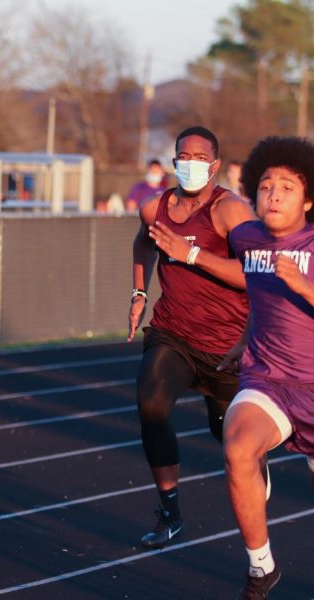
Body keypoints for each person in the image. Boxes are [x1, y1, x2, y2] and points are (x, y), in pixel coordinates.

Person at [128, 125, 257, 549]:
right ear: (174, 160)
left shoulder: (231, 212)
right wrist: (139, 292)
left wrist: (194, 254)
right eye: (185, 155)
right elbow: (144, 245)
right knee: (150, 403)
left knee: (230, 438)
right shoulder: (154, 207)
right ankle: (170, 510)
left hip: (225, 345)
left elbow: (253, 274)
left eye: (201, 157)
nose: (192, 163)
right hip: (173, 332)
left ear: (215, 165)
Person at [220, 136, 314, 599]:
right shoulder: (245, 238)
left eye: (287, 187)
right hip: (269, 379)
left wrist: (303, 284)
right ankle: (261, 568)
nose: (273, 195)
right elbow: (261, 301)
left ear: (309, 198)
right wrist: (243, 340)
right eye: (265, 186)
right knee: (237, 447)